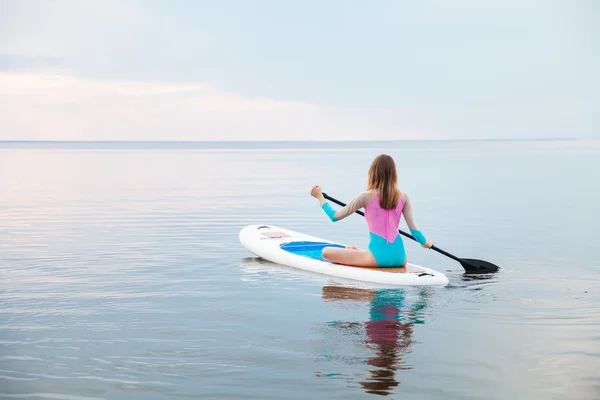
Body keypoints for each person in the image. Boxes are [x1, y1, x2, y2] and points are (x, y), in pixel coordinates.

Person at [310, 154, 432, 268]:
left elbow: (334, 216)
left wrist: (320, 197)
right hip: (400, 257)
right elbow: (415, 232)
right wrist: (426, 243)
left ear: (373, 173)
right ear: (394, 174)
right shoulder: (404, 197)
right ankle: (358, 252)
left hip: (377, 258)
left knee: (325, 252)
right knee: (360, 250)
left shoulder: (365, 196)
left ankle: (359, 254)